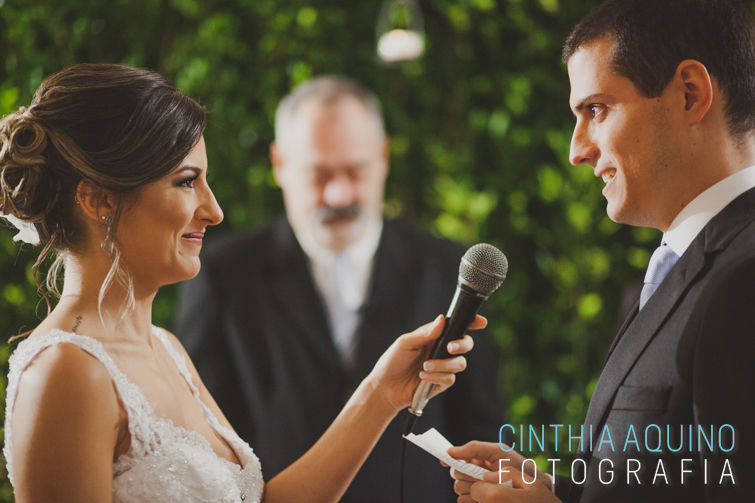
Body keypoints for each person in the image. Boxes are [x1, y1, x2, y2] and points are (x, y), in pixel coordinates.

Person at [0, 63, 483, 503]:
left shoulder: (167, 349)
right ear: (99, 199)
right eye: (186, 181)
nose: (214, 210)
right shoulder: (66, 373)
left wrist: (381, 394)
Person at [449, 0, 755, 502]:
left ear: (690, 93)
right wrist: (557, 490)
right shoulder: (678, 267)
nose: (577, 150)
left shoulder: (746, 277)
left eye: (596, 109)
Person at [175, 76, 503, 501]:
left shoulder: (448, 269)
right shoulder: (221, 275)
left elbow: (478, 429)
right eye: (320, 173)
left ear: (383, 157)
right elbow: (208, 439)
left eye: (355, 170)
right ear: (279, 163)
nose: (339, 192)